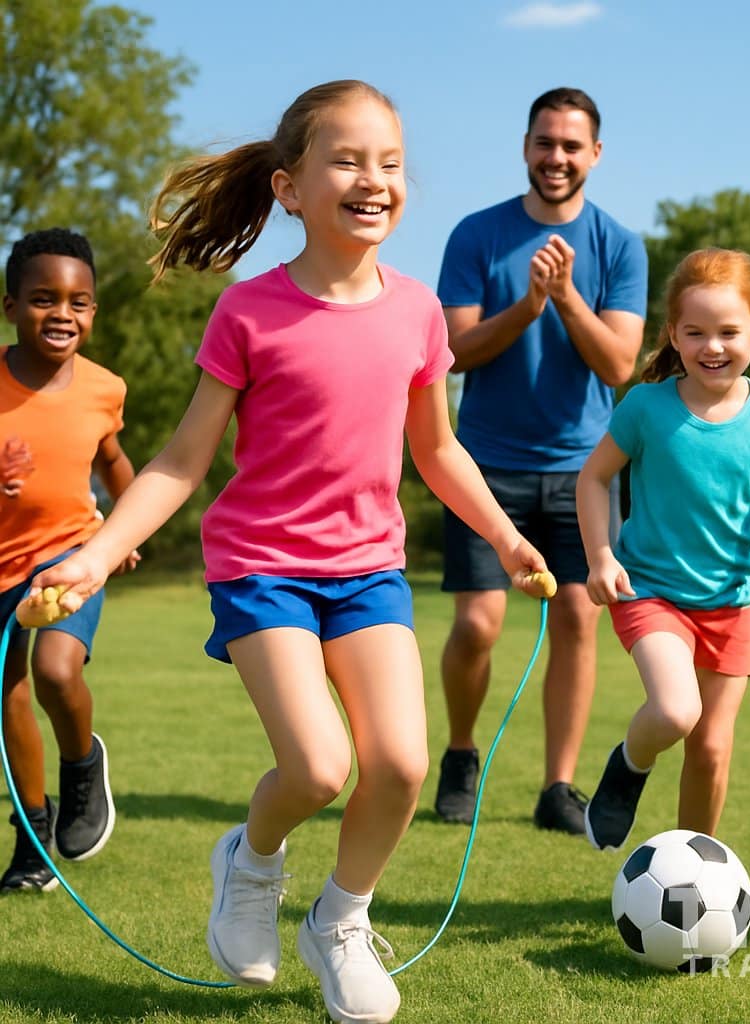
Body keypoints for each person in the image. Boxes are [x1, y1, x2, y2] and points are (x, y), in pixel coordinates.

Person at [27, 81, 552, 1024]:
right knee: (316, 769)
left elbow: (436, 451)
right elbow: (182, 462)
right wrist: (96, 556)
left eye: (390, 164)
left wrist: (508, 537)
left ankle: (340, 924)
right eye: (347, 160)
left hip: (369, 572)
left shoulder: (420, 313)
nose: (374, 180)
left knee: (399, 763)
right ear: (290, 189)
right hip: (262, 567)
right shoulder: (250, 314)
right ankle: (252, 863)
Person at [434, 87, 648, 834]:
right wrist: (525, 306)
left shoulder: (619, 245)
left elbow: (621, 364)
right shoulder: (476, 236)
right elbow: (454, 351)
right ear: (525, 147)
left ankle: (558, 787)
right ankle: (461, 751)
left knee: (579, 624)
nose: (555, 157)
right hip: (484, 467)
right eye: (544, 142)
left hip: (583, 473)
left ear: (594, 154)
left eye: (570, 145)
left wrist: (563, 299)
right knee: (479, 627)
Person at [578, 248, 750, 851]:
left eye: (729, 332)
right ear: (674, 338)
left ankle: (693, 872)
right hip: (650, 591)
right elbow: (593, 478)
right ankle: (629, 764)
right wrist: (602, 556)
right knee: (676, 713)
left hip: (730, 603)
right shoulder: (646, 407)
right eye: (696, 332)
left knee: (711, 748)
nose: (713, 346)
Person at [0, 227, 138, 892]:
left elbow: (113, 462)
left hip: (71, 552)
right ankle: (32, 842)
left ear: (93, 311)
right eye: (42, 299)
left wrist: (128, 529)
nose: (61, 314)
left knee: (56, 672)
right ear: (10, 307)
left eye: (78, 302)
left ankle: (82, 767)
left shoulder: (103, 389)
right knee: (8, 696)